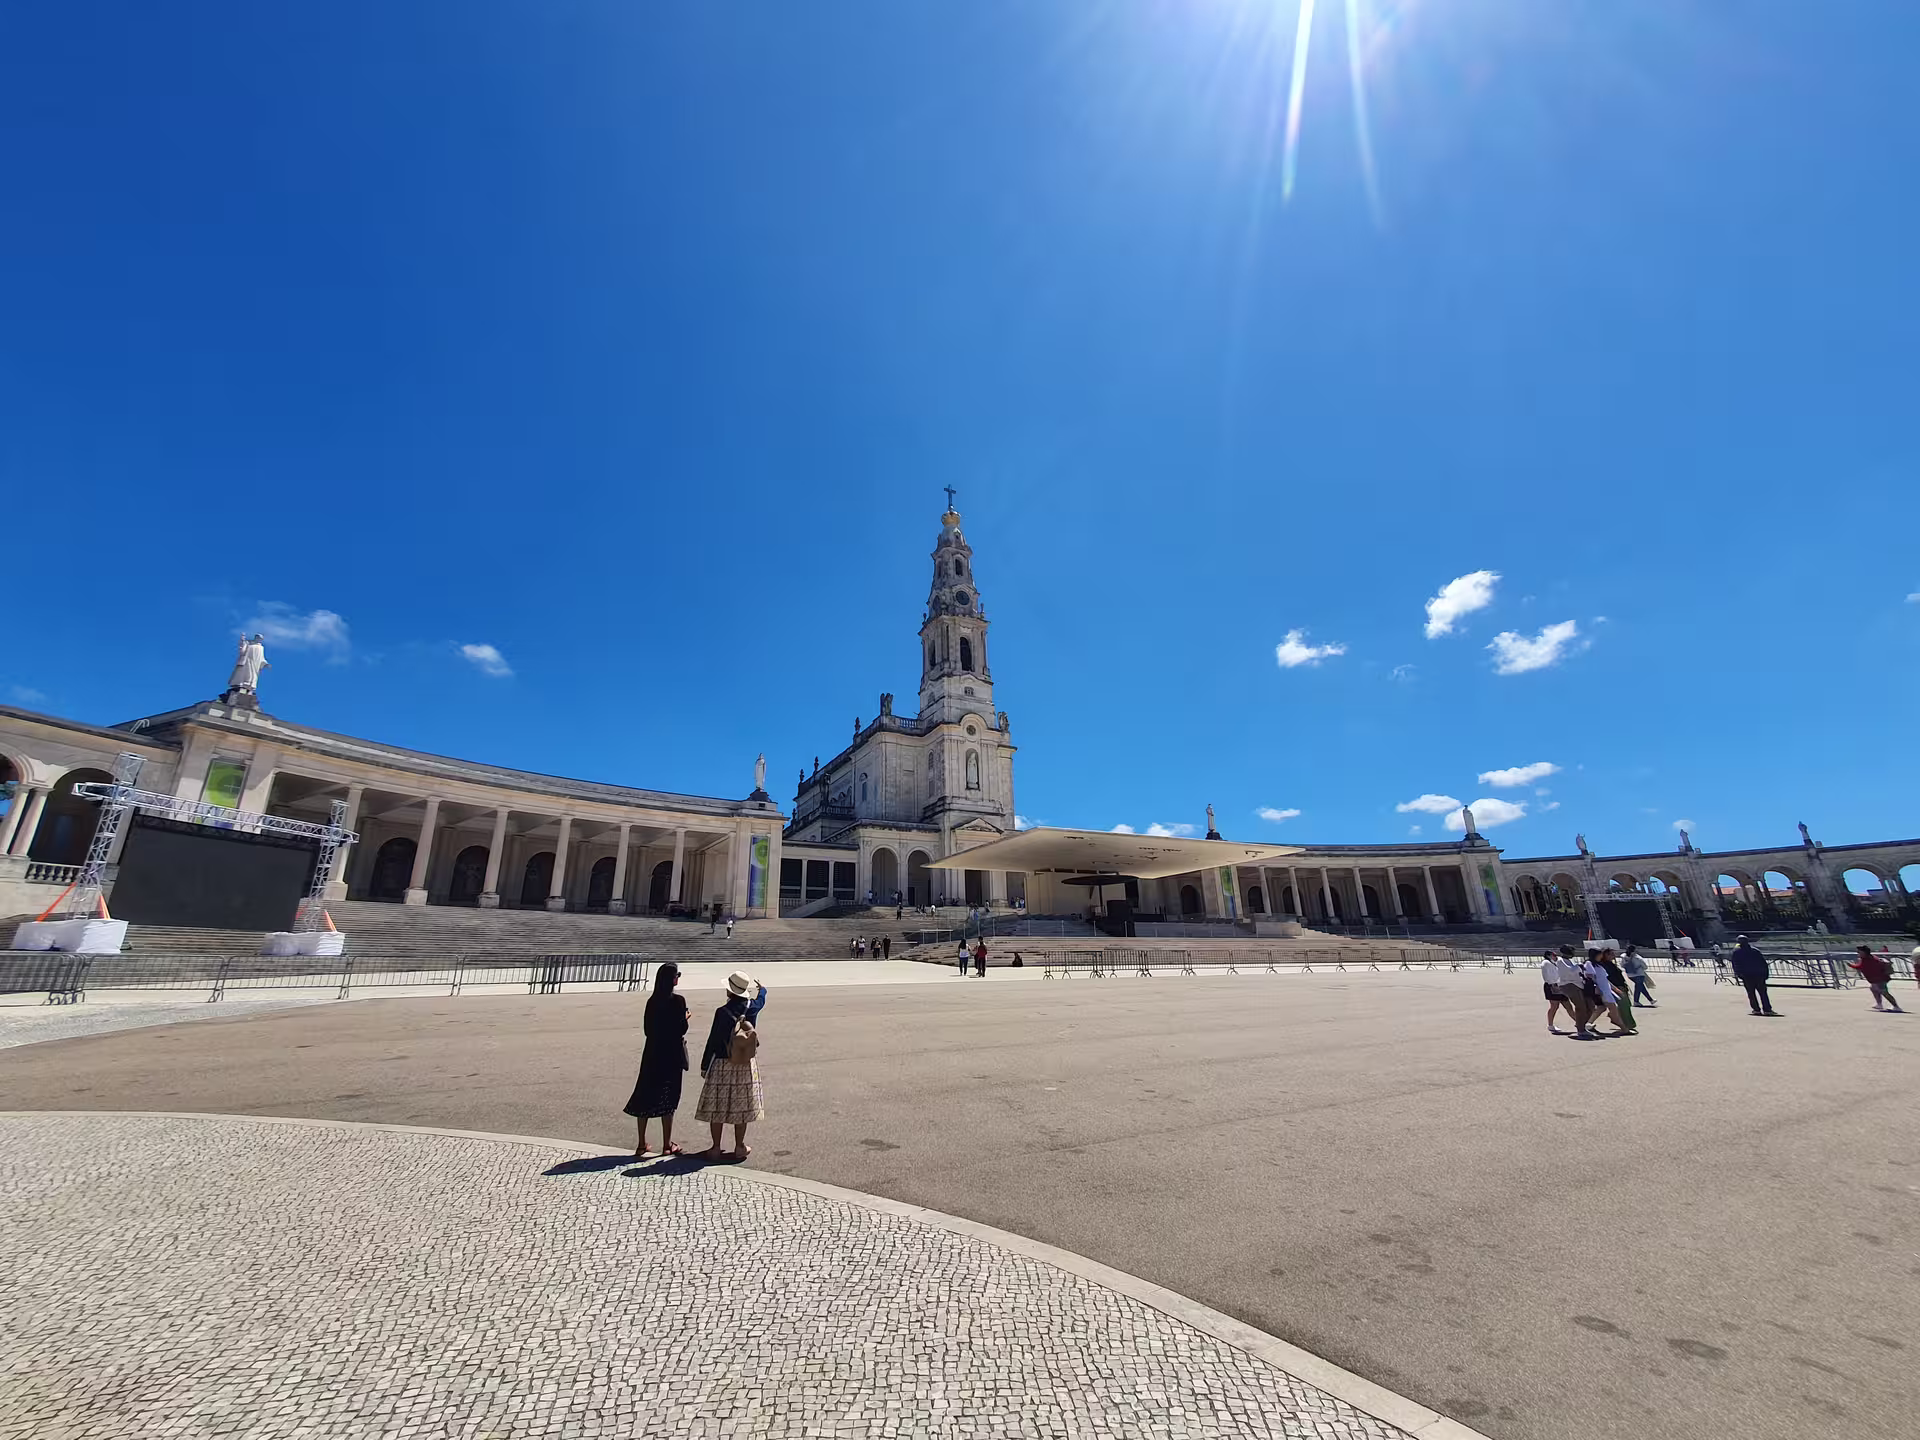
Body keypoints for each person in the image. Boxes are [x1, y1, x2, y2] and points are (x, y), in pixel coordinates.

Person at [695, 971, 766, 1161]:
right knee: (741, 1107)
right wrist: (763, 990)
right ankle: (740, 1146)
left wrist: (704, 1065)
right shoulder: (752, 1008)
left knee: (717, 1106)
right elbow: (761, 1001)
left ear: (729, 991)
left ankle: (716, 1147)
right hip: (744, 1062)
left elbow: (713, 1039)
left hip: (721, 1062)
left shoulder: (722, 1012)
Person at [624, 963, 689, 1156]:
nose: (678, 977)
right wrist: (685, 1017)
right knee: (668, 1098)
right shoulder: (678, 1001)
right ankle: (667, 1145)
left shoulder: (651, 1001)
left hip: (652, 1053)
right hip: (671, 1054)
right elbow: (681, 1029)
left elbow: (647, 1030)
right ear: (672, 979)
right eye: (677, 974)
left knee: (645, 1094)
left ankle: (641, 1143)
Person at [1729, 935, 1778, 1016]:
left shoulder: (1736, 952)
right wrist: (1766, 974)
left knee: (1751, 993)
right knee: (1763, 993)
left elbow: (1735, 964)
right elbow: (1763, 963)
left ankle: (1756, 1009)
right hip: (1758, 974)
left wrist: (1739, 974)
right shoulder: (1755, 951)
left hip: (1747, 975)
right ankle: (1767, 1009)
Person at [1582, 949, 1627, 1033]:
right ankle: (1624, 1028)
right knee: (1613, 1009)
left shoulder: (1599, 965)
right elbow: (1590, 976)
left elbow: (1605, 980)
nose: (1601, 956)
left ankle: (1588, 1024)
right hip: (1602, 990)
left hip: (1606, 990)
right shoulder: (1589, 963)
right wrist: (1597, 987)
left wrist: (1616, 989)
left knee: (1601, 1008)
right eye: (1600, 954)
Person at [1848, 945, 1903, 1012]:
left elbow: (1860, 967)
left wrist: (1850, 965)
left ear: (1864, 952)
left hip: (1879, 979)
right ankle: (1879, 1004)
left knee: (1884, 992)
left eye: (1859, 952)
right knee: (1873, 989)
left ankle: (1896, 1007)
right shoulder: (1869, 957)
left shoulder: (1868, 959)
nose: (1858, 953)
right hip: (1878, 979)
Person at [1597, 946, 1638, 1033]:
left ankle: (1621, 1021)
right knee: (1623, 1005)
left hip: (1621, 986)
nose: (1613, 955)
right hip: (1615, 987)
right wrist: (1616, 988)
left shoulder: (1611, 964)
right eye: (1611, 954)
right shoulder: (1603, 966)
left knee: (1626, 1005)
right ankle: (1625, 1024)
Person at [1541, 949, 1579, 1034]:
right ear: (1549, 955)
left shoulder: (1554, 963)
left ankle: (1579, 1023)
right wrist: (1553, 984)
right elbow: (1547, 976)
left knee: (1568, 1005)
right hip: (1552, 986)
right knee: (1554, 1006)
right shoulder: (1546, 963)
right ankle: (1550, 1025)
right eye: (1554, 955)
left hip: (1560, 985)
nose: (1556, 957)